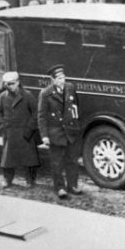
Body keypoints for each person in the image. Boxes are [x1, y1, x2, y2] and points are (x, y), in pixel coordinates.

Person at [38, 64, 83, 199]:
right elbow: (41, 116)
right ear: (52, 80)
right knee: (57, 162)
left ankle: (73, 185)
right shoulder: (46, 93)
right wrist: (44, 136)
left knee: (72, 160)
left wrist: (76, 125)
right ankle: (60, 188)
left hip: (70, 131)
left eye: (63, 77)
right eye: (58, 78)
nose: (62, 81)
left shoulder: (70, 88)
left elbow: (76, 107)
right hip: (56, 133)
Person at [0, 71, 40, 188]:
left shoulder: (28, 95)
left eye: (12, 83)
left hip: (25, 130)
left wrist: (30, 128)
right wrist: (3, 125)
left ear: (18, 82)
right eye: (7, 84)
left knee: (29, 158)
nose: (10, 86)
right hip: (10, 131)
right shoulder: (3, 96)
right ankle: (7, 179)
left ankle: (30, 180)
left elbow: (36, 113)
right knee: (8, 159)